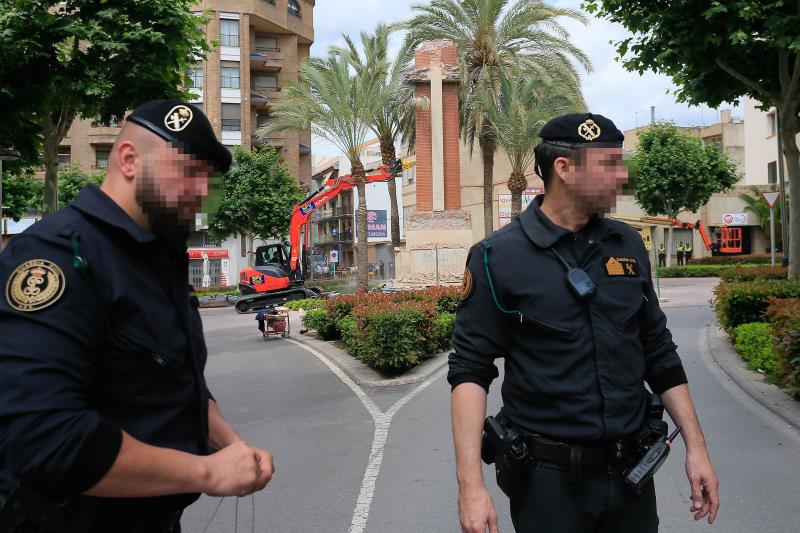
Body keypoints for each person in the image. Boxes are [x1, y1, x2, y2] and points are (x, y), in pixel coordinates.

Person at [0, 100, 274, 533]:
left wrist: (231, 445)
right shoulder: (56, 257)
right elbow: (47, 439)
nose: (202, 191)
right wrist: (208, 473)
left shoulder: (158, 258)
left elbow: (176, 384)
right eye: (188, 171)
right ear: (128, 160)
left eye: (209, 178)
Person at [448, 113, 719, 533]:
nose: (622, 174)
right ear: (564, 169)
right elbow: (469, 372)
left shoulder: (626, 244)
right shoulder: (496, 257)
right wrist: (471, 487)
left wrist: (696, 448)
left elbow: (658, 350)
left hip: (631, 474)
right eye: (609, 164)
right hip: (547, 483)